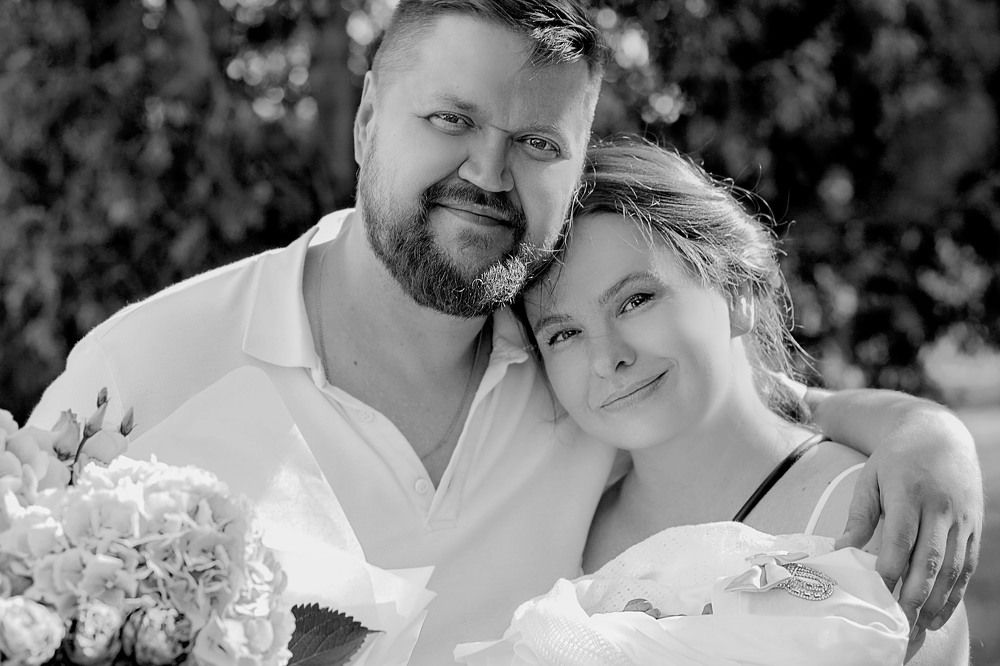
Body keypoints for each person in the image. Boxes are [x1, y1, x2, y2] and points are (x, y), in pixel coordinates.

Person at [27, 1, 981, 663]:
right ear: (367, 120)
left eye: (536, 143)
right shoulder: (142, 376)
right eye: (451, 118)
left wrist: (923, 435)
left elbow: (758, 402)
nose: (488, 172)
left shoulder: (575, 387)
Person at [518, 137, 968, 662]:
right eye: (563, 334)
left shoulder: (870, 511)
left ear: (736, 293)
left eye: (636, 300)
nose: (606, 358)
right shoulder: (570, 529)